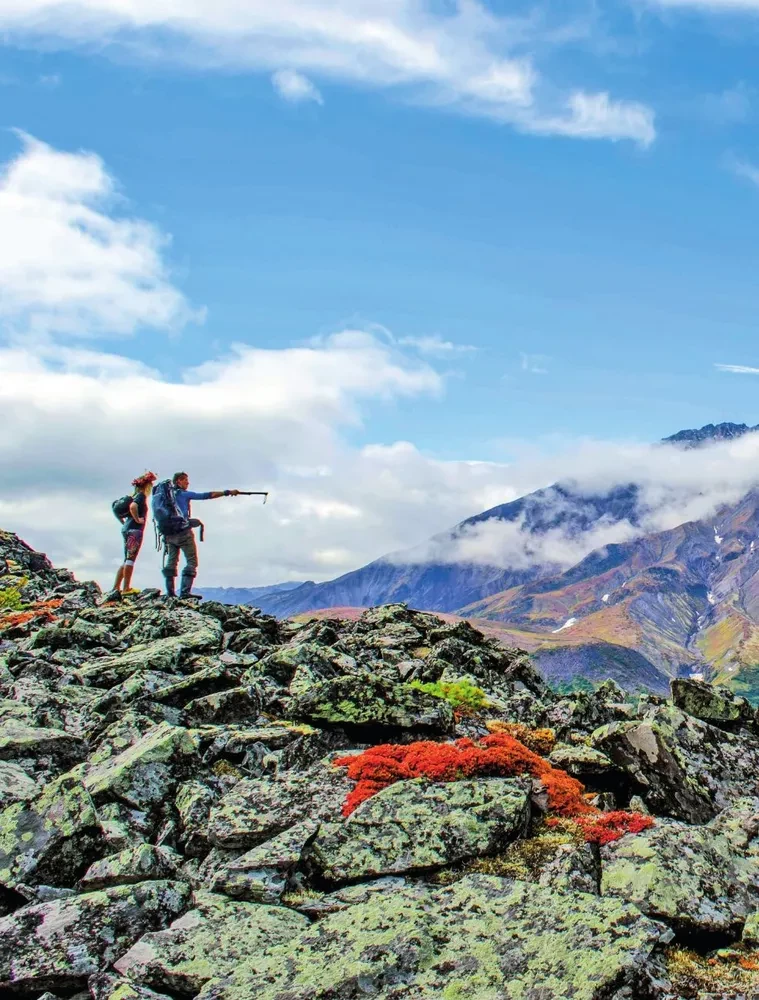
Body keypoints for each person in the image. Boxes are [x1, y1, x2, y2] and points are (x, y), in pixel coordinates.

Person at [162, 472, 241, 598]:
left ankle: (170, 593)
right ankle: (185, 592)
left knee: (171, 561)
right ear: (178, 481)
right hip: (183, 532)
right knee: (192, 561)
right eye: (185, 480)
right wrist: (227, 492)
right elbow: (206, 495)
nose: (188, 483)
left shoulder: (166, 497)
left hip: (169, 534)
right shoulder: (183, 494)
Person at [114, 471, 157, 595]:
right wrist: (138, 519)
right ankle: (126, 588)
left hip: (127, 528)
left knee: (126, 559)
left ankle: (116, 587)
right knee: (131, 559)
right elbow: (133, 506)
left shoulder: (133, 495)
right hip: (135, 530)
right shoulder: (140, 496)